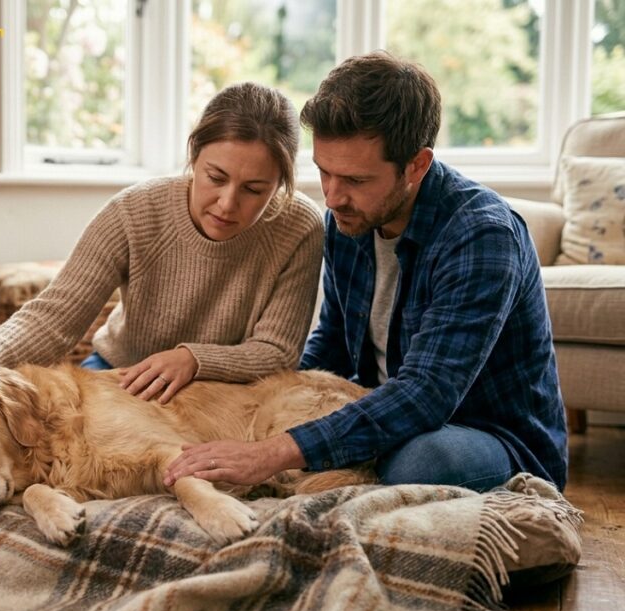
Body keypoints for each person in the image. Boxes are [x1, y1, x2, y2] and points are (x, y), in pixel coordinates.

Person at [165, 51, 568, 492]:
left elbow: (427, 394)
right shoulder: (346, 221)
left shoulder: (482, 236)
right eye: (324, 172)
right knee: (309, 443)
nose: (333, 196)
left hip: (484, 434)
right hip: (376, 406)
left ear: (416, 165)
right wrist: (257, 410)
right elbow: (332, 347)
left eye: (355, 180)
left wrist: (273, 451)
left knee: (416, 464)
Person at [0, 82, 325, 404]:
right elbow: (56, 315)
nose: (228, 202)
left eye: (255, 188)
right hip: (119, 372)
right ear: (194, 157)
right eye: (215, 178)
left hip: (223, 392)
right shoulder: (135, 210)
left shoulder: (300, 226)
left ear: (281, 185)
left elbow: (276, 352)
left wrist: (193, 359)